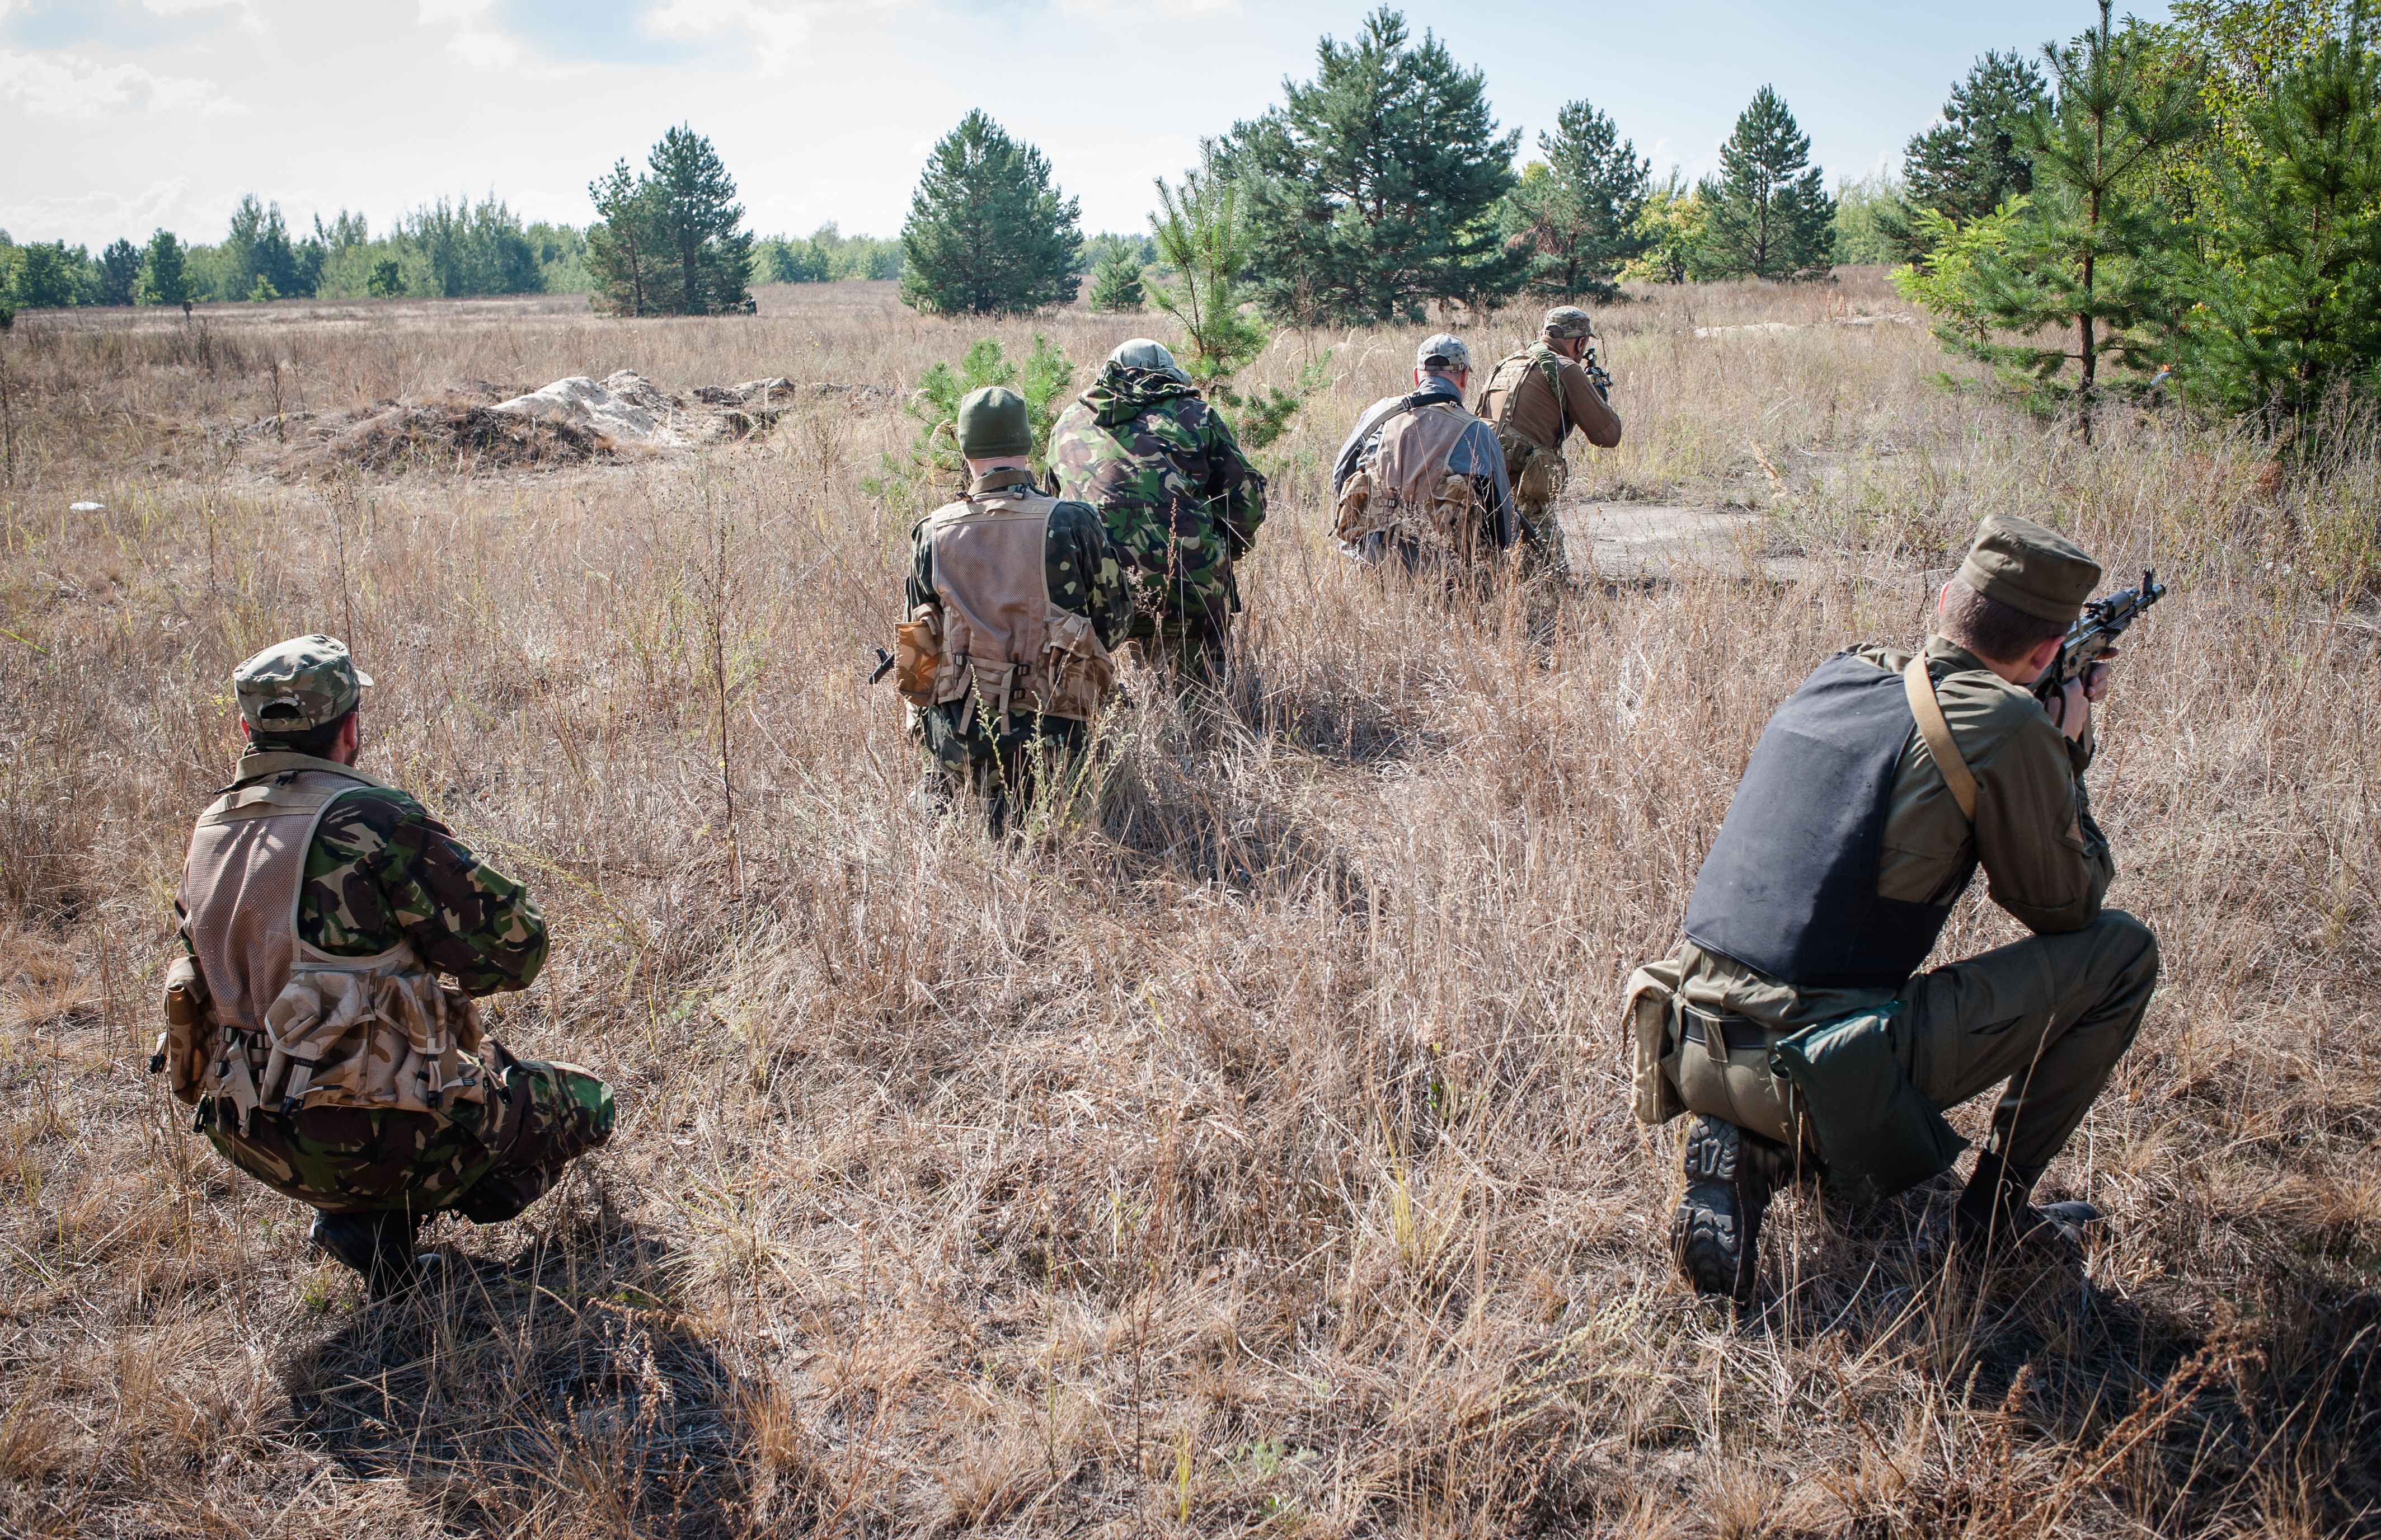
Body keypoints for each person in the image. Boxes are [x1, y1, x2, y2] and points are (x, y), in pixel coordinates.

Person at [1627, 514, 2159, 1306]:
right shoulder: (2008, 723)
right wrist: (2066, 749)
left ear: (1946, 600)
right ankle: (1990, 1221)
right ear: (2050, 654)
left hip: (1684, 1032)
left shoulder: (1842, 672)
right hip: (1812, 1064)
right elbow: (2064, 905)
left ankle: (1754, 1150)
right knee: (2121, 953)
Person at [159, 635, 614, 1297]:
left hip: (250, 1134)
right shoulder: (372, 819)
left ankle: (364, 1226)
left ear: (245, 727)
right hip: (364, 1138)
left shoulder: (212, 829)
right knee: (588, 1103)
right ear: (350, 727)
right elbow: (519, 950)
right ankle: (401, 1203)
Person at [891, 386, 1131, 834]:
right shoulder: (1072, 522)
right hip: (1056, 743)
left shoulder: (932, 532)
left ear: (964, 449)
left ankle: (950, 802)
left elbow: (916, 650)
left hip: (960, 743)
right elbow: (1115, 628)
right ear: (1025, 444)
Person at [1046, 338, 1266, 682]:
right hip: (1191, 584)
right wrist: (1222, 554)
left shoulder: (1069, 422)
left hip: (1098, 596)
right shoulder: (1197, 415)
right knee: (1204, 694)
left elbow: (1052, 515)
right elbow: (1246, 506)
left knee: (1098, 697)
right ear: (1169, 374)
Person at [1330, 334, 1516, 580]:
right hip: (1442, 571)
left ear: (1417, 376)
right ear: (1464, 378)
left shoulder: (1380, 412)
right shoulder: (1477, 431)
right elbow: (1501, 520)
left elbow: (1340, 477)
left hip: (1368, 560)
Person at [1470, 306, 1624, 581]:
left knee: (1488, 551)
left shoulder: (1507, 364)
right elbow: (1607, 436)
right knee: (1547, 574)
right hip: (1526, 476)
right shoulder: (1565, 368)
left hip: (1482, 470)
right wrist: (1596, 397)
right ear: (1580, 342)